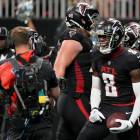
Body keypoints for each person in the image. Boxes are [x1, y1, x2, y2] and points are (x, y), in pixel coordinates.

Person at [77, 18, 140, 140]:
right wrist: (94, 108)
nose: (101, 40)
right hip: (105, 106)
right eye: (99, 36)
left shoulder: (131, 58)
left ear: (117, 37)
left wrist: (131, 121)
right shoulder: (96, 54)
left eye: (105, 36)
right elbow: (96, 88)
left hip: (127, 108)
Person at [0, 26, 60, 140]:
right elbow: (57, 94)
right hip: (43, 125)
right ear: (29, 41)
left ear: (12, 43)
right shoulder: (45, 65)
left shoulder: (4, 67)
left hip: (17, 126)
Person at [53, 2, 99, 140]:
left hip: (75, 98)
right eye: (92, 18)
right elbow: (58, 69)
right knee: (94, 134)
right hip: (76, 98)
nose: (94, 22)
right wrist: (61, 96)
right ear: (81, 19)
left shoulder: (80, 37)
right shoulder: (74, 37)